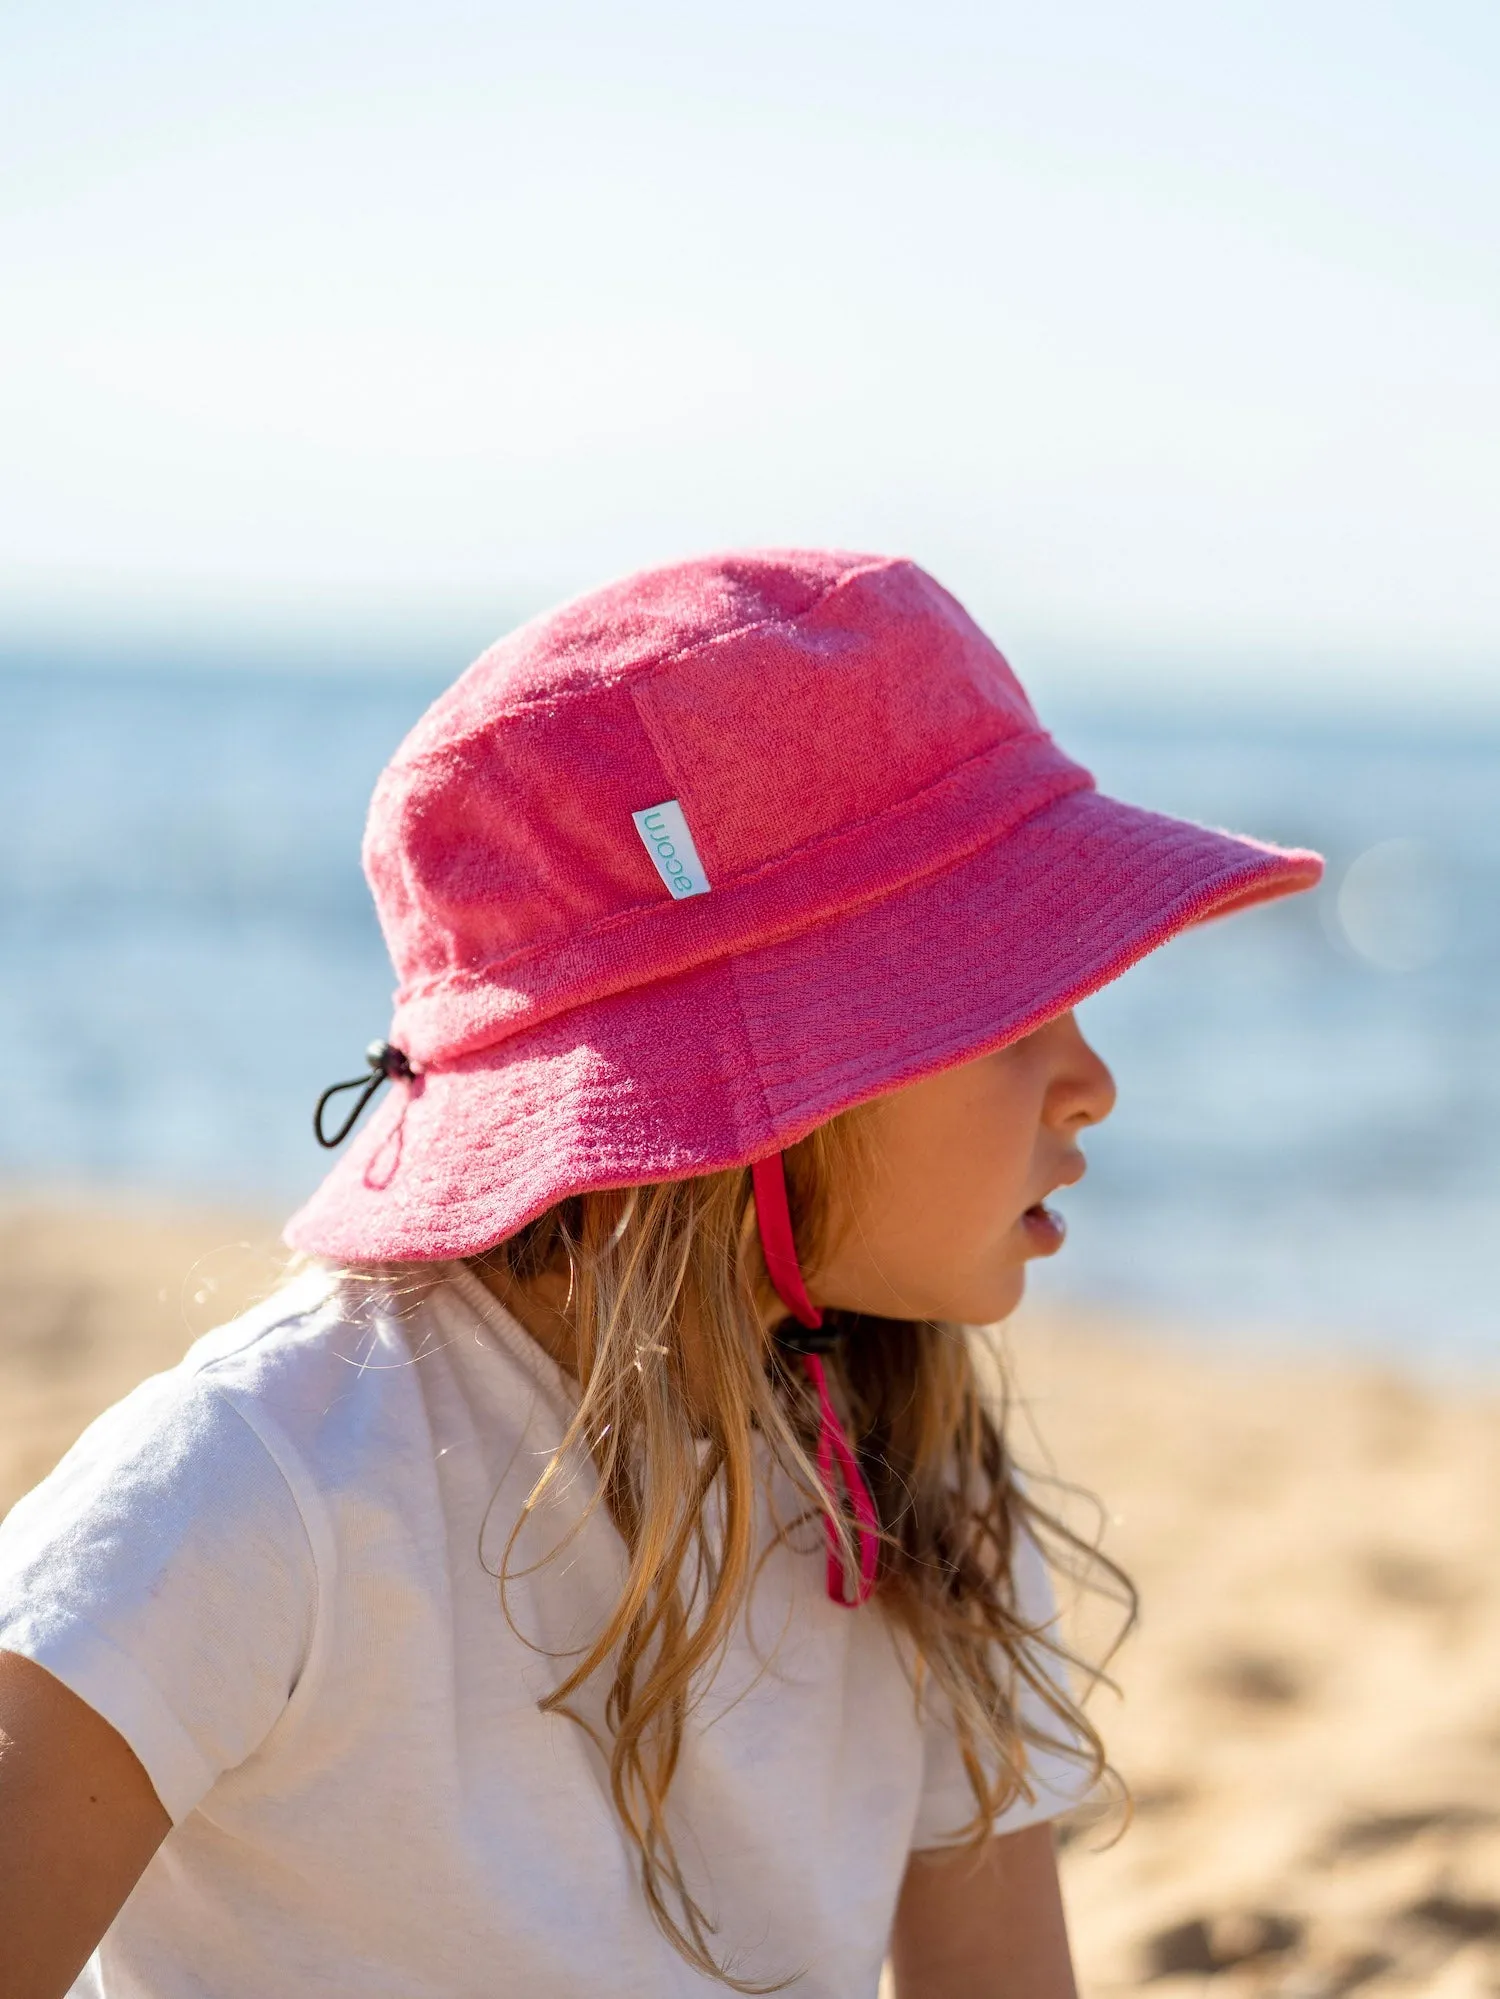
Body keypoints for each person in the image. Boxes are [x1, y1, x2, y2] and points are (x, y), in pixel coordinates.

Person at [0, 550, 1322, 1998]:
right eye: (1011, 1002)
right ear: (766, 1095)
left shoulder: (920, 1497)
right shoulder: (262, 1491)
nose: (1094, 1085)